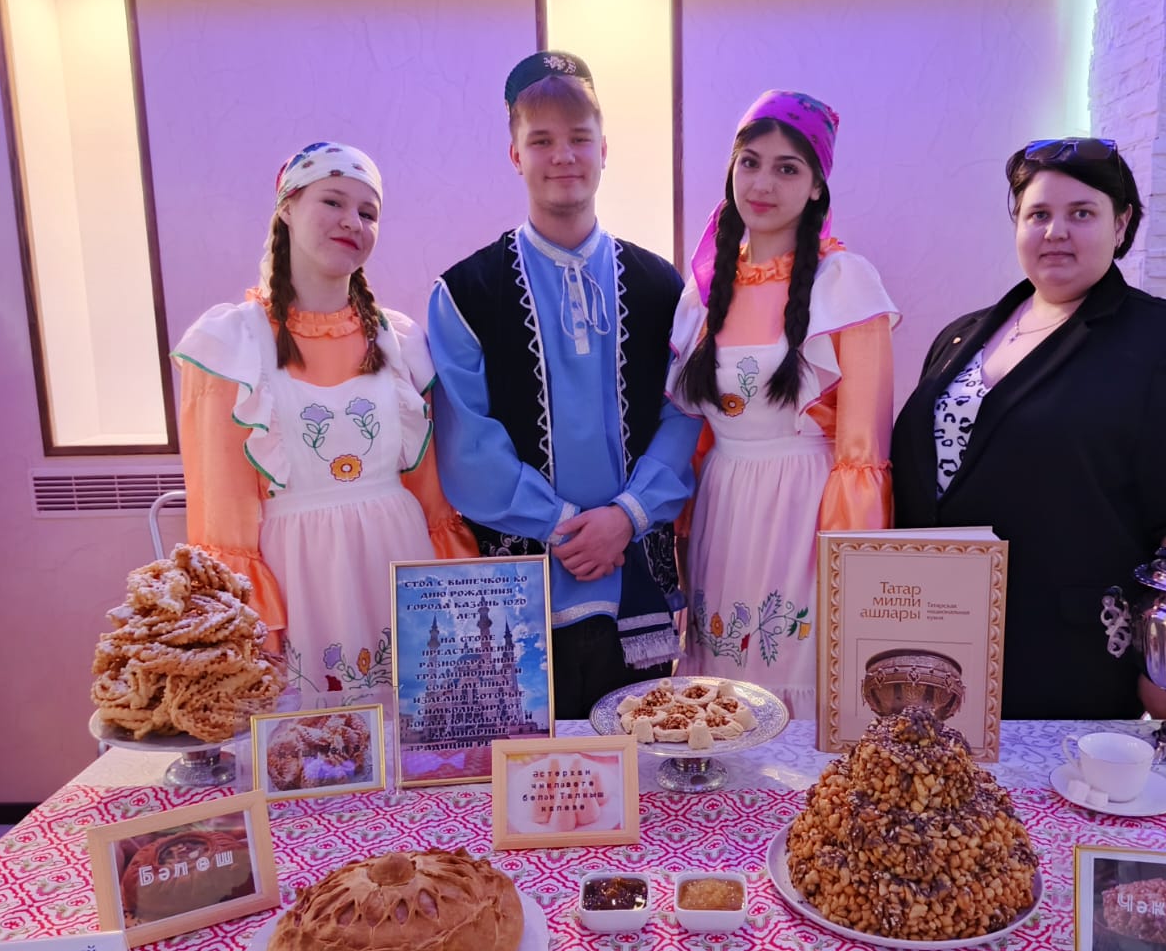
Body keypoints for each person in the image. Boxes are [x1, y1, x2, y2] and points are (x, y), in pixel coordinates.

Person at [891, 137, 1166, 720]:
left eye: (1081, 213)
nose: (1056, 231)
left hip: (1068, 657)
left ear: (1122, 223)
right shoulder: (960, 336)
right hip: (934, 651)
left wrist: (1163, 664)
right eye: (1038, 214)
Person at [427, 52, 700, 720]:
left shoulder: (663, 287)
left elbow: (685, 416)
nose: (563, 156)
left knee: (640, 765)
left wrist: (626, 516)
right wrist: (564, 527)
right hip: (519, 595)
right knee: (529, 776)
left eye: (579, 138)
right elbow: (467, 445)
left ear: (604, 150)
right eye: (541, 140)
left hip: (634, 581)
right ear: (514, 155)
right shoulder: (465, 293)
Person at [173, 142, 474, 709]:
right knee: (315, 738)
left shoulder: (399, 339)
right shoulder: (231, 344)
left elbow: (431, 497)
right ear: (287, 207)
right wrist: (244, 628)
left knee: (414, 736)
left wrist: (453, 597)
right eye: (333, 201)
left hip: (400, 564)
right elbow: (223, 516)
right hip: (299, 576)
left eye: (368, 211)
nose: (352, 222)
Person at [668, 91, 898, 718]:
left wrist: (851, 567)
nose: (762, 183)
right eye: (749, 162)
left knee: (793, 685)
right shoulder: (703, 289)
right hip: (723, 504)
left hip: (803, 510)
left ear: (818, 186)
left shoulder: (845, 282)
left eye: (787, 168)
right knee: (720, 698)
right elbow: (696, 434)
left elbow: (863, 451)